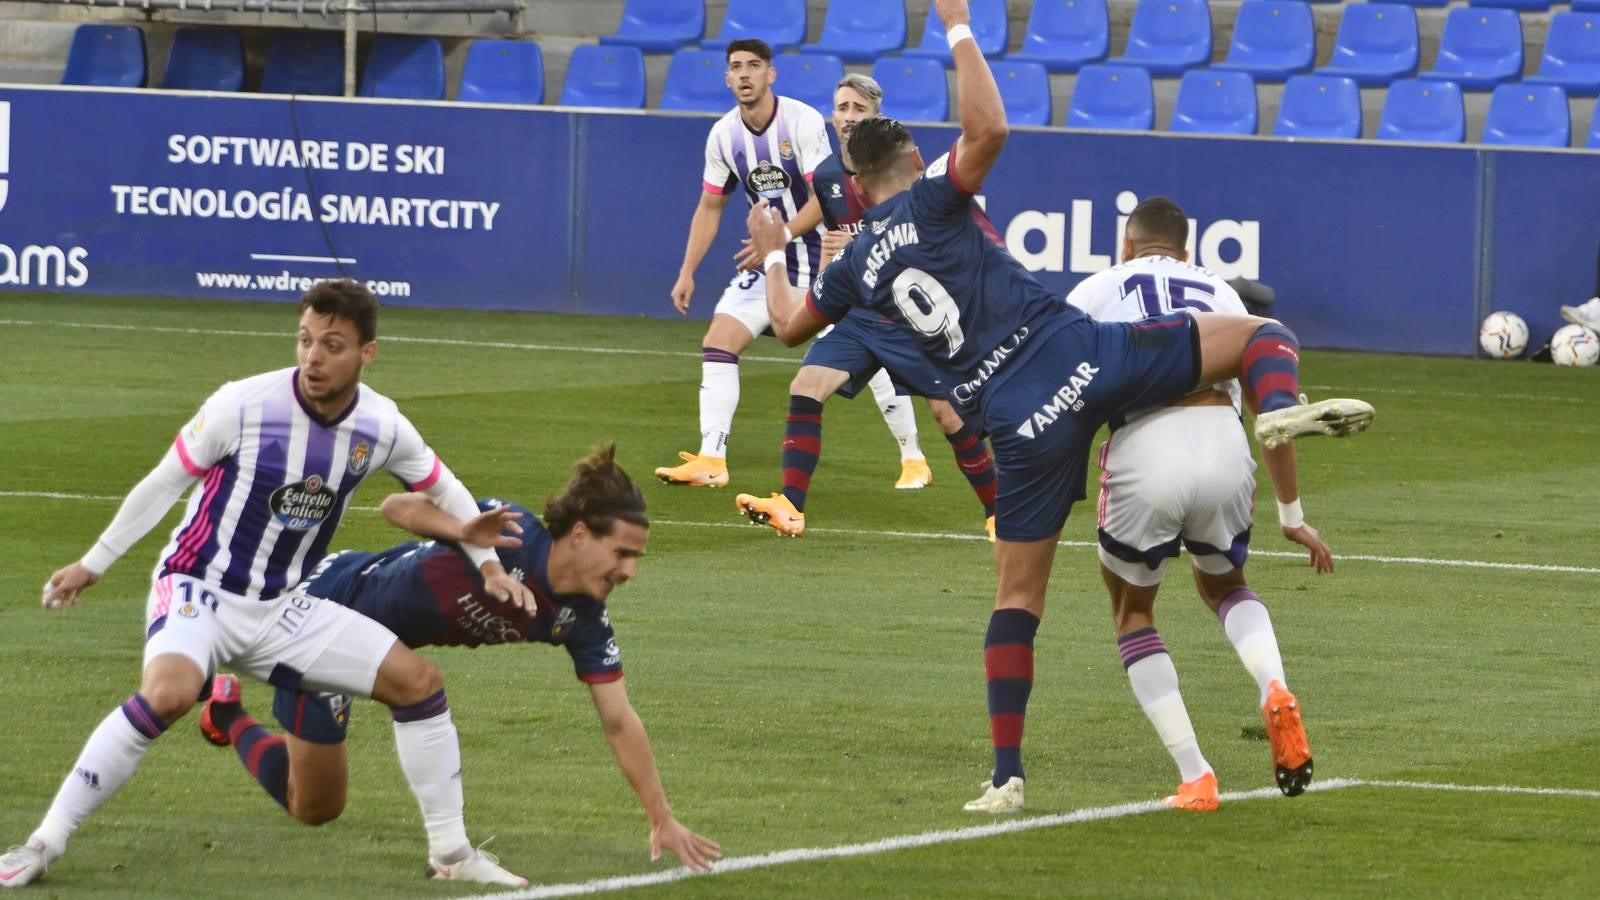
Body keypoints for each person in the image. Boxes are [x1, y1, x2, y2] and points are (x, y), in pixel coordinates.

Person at [743, 0, 1374, 815]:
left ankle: (1006, 778)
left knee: (1017, 601)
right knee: (1261, 335)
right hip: (1079, 355)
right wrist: (957, 23)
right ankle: (1276, 409)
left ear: (855, 186)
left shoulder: (854, 264)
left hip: (1016, 419)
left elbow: (790, 327)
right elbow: (992, 129)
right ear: (916, 158)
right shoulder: (935, 195)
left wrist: (773, 256)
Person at [1, 281, 529, 888]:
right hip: (199, 589)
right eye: (305, 340)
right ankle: (43, 843)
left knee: (419, 683)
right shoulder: (244, 404)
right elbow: (165, 481)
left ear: (367, 353)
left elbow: (443, 487)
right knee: (169, 693)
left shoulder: (381, 425)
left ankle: (453, 854)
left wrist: (487, 562)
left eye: (332, 345)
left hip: (282, 609)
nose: (313, 357)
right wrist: (93, 563)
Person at [194, 446, 722, 872]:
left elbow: (619, 719)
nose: (629, 571)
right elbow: (395, 508)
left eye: (636, 558)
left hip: (381, 651)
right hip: (327, 607)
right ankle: (203, 646)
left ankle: (226, 713)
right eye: (622, 554)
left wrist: (661, 817)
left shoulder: (583, 619)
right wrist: (465, 533)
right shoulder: (509, 532)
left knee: (317, 807)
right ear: (581, 535)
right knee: (318, 797)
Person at [1065, 196, 1324, 811]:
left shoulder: (1093, 289)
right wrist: (1293, 516)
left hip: (1143, 441)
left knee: (1133, 610)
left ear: (1127, 247)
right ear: (1186, 253)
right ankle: (1274, 685)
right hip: (1221, 439)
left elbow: (1062, 390)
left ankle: (1196, 776)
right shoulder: (1221, 293)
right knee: (1227, 586)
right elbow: (1270, 417)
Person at [734, 73, 999, 539]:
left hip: (912, 314)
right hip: (862, 313)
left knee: (948, 415)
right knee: (807, 384)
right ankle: (790, 505)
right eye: (842, 108)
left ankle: (999, 513)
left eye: (859, 108)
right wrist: (816, 257)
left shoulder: (906, 169)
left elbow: (914, 235)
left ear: (877, 115)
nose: (849, 117)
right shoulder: (828, 176)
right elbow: (835, 237)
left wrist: (849, 248)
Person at [654, 39, 918, 490]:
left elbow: (825, 196)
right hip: (772, 265)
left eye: (753, 65)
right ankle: (711, 458)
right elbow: (710, 206)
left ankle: (913, 457)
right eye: (736, 66)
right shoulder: (723, 135)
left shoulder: (802, 121)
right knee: (718, 341)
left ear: (770, 74)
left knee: (869, 351)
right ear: (727, 77)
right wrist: (687, 270)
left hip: (825, 262)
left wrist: (780, 236)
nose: (744, 74)